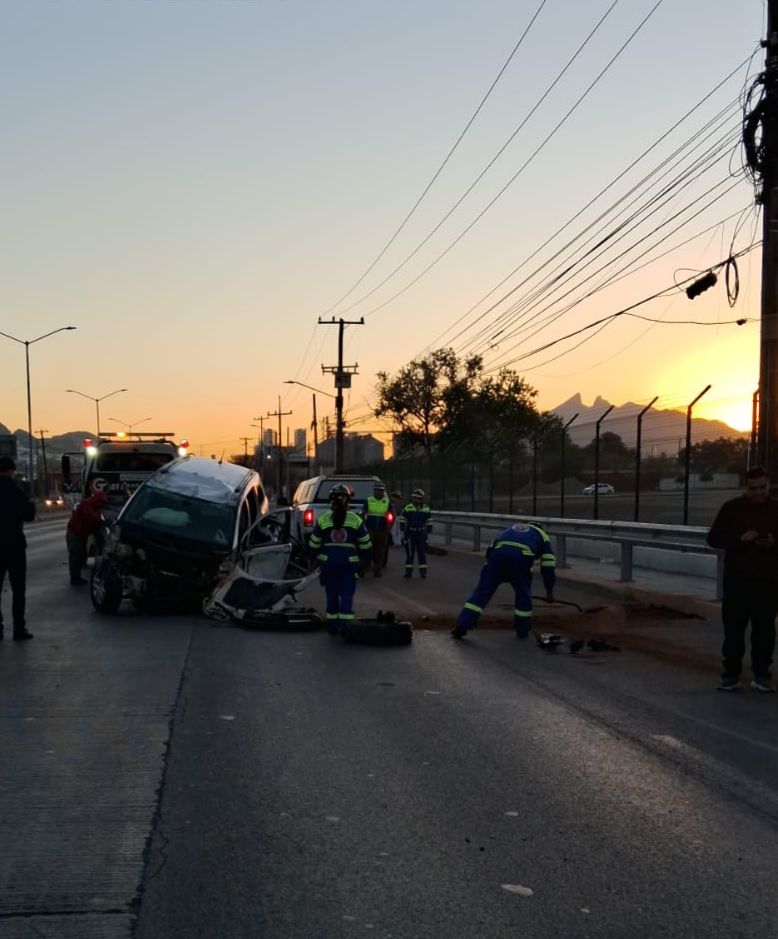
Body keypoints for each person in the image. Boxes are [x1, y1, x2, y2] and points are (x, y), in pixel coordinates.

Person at [706, 466, 778, 692]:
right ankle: (731, 674)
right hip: (737, 581)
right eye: (753, 488)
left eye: (762, 488)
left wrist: (772, 543)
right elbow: (714, 538)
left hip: (767, 581)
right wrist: (740, 539)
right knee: (734, 630)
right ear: (745, 487)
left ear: (769, 485)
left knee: (765, 630)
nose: (758, 493)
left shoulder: (775, 509)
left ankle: (762, 674)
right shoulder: (731, 509)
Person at [451, 521, 556, 640]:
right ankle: (522, 630)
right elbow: (548, 565)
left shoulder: (511, 529)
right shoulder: (542, 535)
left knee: (482, 592)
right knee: (523, 594)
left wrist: (491, 569)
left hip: (497, 556)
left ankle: (462, 625)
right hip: (521, 558)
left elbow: (490, 549)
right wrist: (549, 591)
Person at [307, 483, 373, 635]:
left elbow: (314, 543)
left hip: (328, 564)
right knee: (346, 594)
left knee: (331, 594)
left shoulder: (323, 520)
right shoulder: (355, 520)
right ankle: (345, 626)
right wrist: (366, 561)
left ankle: (332, 625)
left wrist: (311, 558)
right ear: (348, 500)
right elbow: (365, 543)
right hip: (349, 565)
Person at [0, 456, 36, 640]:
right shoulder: (16, 490)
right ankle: (18, 628)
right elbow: (29, 515)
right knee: (18, 589)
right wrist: (31, 503)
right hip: (14, 544)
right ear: (11, 470)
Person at [66, 488, 108, 585]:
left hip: (82, 533)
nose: (101, 506)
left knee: (81, 555)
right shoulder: (87, 504)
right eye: (101, 503)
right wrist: (101, 522)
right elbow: (90, 516)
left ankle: (77, 577)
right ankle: (75, 578)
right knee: (76, 555)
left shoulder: (96, 507)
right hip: (75, 532)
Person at [400, 488, 432, 578]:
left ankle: (423, 572)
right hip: (410, 534)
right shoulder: (408, 508)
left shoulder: (426, 508)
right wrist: (403, 530)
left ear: (421, 499)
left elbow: (429, 520)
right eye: (414, 498)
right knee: (410, 554)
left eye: (417, 498)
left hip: (421, 534)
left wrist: (429, 530)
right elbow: (402, 519)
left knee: (421, 553)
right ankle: (408, 572)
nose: (415, 500)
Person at [364, 481, 391, 576]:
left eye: (381, 491)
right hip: (370, 529)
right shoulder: (369, 500)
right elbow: (364, 514)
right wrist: (364, 526)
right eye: (377, 490)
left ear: (383, 491)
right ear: (374, 491)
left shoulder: (387, 502)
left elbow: (391, 515)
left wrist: (389, 526)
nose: (379, 492)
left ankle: (377, 569)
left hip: (382, 530)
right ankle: (365, 566)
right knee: (367, 548)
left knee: (379, 551)